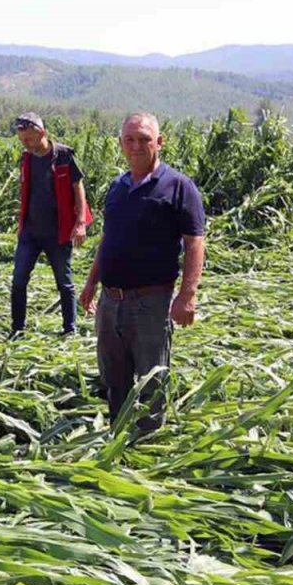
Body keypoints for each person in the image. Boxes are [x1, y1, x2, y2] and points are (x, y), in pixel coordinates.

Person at [78, 112, 205, 433]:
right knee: (114, 377)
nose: (136, 145)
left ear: (159, 142)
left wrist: (187, 296)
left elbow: (195, 242)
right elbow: (108, 238)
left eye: (144, 139)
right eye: (130, 139)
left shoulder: (178, 186)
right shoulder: (117, 187)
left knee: (151, 380)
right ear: (121, 143)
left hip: (151, 302)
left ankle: (149, 440)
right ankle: (119, 435)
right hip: (110, 301)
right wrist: (91, 283)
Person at [11, 112, 92, 336]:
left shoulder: (63, 156)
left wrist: (80, 222)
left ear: (42, 133)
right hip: (30, 232)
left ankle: (69, 329)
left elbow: (78, 187)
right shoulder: (26, 158)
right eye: (22, 140)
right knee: (18, 281)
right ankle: (17, 329)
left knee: (64, 282)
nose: (26, 144)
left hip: (58, 232)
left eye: (29, 139)